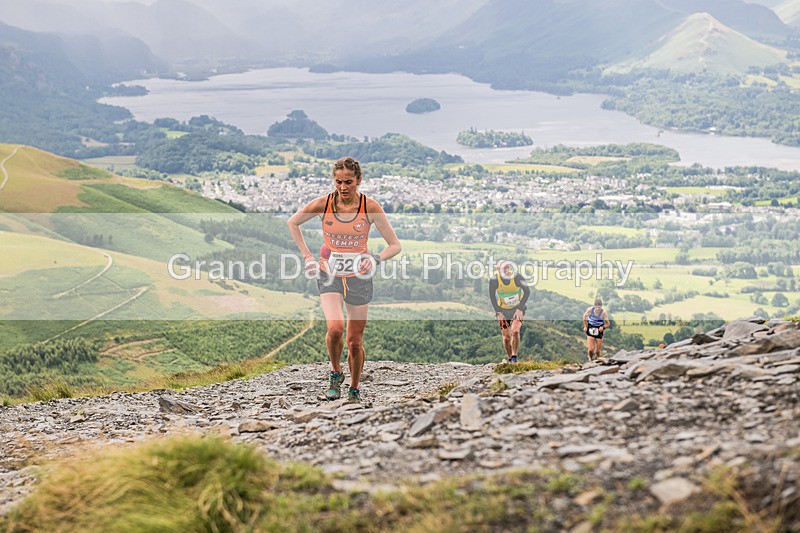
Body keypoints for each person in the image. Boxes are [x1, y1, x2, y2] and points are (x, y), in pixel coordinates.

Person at [287, 156, 401, 402]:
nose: (343, 187)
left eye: (348, 182)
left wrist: (376, 259)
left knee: (355, 342)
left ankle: (354, 387)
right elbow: (293, 222)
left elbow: (395, 245)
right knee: (335, 328)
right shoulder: (323, 204)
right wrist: (307, 256)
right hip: (329, 274)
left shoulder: (370, 207)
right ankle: (335, 372)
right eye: (338, 182)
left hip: (360, 276)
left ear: (359, 180)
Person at [489, 260, 530, 363]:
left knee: (515, 331)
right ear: (498, 270)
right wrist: (498, 312)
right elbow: (492, 296)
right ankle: (510, 358)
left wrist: (520, 309)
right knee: (506, 337)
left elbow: (527, 292)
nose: (505, 271)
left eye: (506, 268)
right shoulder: (494, 280)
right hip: (502, 310)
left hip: (517, 309)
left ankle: (514, 356)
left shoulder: (517, 277)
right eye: (502, 270)